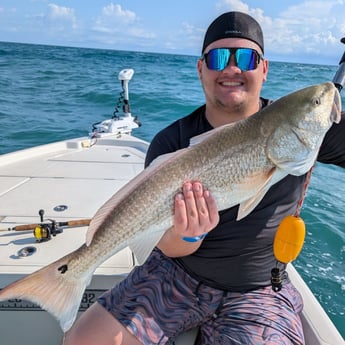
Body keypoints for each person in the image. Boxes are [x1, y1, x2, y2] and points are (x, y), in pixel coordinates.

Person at [64, 11, 345, 345]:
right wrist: (187, 236)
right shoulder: (172, 142)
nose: (231, 68)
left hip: (258, 289)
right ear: (201, 69)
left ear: (264, 69)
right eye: (217, 57)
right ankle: (66, 282)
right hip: (177, 274)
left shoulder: (305, 126)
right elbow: (165, 247)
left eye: (245, 57)